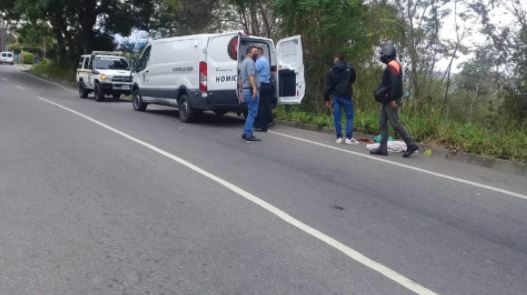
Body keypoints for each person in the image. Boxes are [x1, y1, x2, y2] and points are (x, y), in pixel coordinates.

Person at [370, 43, 419, 158]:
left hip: (391, 98)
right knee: (382, 122)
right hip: (387, 98)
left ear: (388, 53)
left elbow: (395, 84)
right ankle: (382, 148)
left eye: (382, 53)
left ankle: (411, 144)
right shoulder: (391, 64)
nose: (381, 56)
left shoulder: (393, 64)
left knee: (395, 123)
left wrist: (392, 99)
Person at [324, 51, 358, 144]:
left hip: (336, 96)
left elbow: (328, 86)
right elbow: (353, 79)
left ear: (336, 59)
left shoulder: (331, 70)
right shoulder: (350, 68)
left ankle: (339, 137)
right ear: (343, 58)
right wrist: (346, 83)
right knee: (350, 116)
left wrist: (327, 99)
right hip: (346, 95)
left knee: (337, 117)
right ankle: (348, 138)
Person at [239, 46, 261, 142]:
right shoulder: (250, 62)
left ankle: (245, 132)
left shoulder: (243, 63)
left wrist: (241, 89)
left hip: (246, 90)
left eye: (257, 52)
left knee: (250, 112)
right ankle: (248, 134)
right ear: (249, 53)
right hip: (251, 90)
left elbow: (240, 79)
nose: (257, 53)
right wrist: (254, 88)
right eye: (255, 52)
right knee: (252, 113)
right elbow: (250, 76)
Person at [254, 46, 274, 132]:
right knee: (266, 104)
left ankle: (262, 126)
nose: (254, 54)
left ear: (259, 52)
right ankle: (270, 120)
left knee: (260, 106)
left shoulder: (259, 61)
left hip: (262, 85)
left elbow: (253, 71)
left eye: (255, 52)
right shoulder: (265, 60)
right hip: (268, 84)